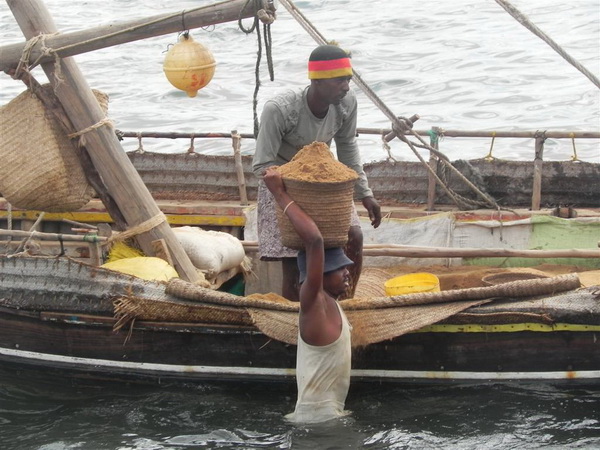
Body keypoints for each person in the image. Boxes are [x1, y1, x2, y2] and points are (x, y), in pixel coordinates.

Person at [252, 44, 382, 301]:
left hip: (324, 185)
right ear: (317, 81)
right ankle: (294, 322)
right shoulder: (279, 109)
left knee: (353, 236)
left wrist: (365, 193)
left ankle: (345, 306)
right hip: (282, 187)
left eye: (348, 80)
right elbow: (262, 166)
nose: (346, 87)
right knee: (293, 261)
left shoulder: (346, 104)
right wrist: (283, 192)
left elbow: (347, 147)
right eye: (340, 81)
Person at [262, 166, 353, 424]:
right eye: (339, 268)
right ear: (319, 275)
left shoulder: (333, 303)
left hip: (330, 417)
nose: (347, 272)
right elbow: (314, 240)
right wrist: (278, 193)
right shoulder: (314, 303)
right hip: (315, 423)